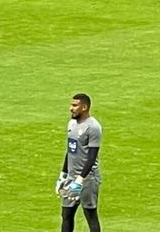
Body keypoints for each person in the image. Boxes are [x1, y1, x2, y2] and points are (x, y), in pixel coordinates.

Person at [56, 93, 102, 232]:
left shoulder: (93, 127)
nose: (71, 108)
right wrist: (63, 175)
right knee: (66, 214)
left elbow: (92, 157)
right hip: (71, 177)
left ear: (84, 107)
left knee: (90, 215)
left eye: (75, 105)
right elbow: (71, 150)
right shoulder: (71, 124)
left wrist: (80, 180)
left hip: (88, 179)